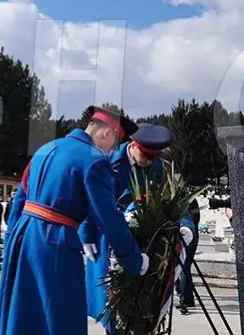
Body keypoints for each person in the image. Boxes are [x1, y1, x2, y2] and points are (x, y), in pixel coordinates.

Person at [0, 106, 149, 335]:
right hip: (55, 243)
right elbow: (108, 218)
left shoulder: (46, 148)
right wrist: (134, 259)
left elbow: (20, 198)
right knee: (60, 318)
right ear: (107, 133)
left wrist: (12, 239)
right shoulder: (94, 160)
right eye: (115, 144)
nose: (111, 151)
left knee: (22, 313)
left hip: (24, 237)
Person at [79, 122, 193, 332]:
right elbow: (88, 200)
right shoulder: (106, 161)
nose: (150, 162)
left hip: (145, 248)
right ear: (133, 145)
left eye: (154, 157)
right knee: (113, 306)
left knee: (143, 310)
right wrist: (85, 233)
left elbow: (174, 200)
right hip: (109, 244)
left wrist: (185, 226)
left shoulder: (158, 167)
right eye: (147, 156)